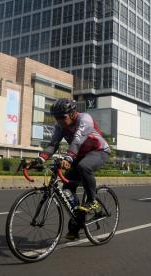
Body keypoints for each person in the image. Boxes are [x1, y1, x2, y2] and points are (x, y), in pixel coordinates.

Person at [29, 98, 110, 240]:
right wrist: (39, 159)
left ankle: (92, 201)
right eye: (56, 117)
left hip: (98, 151)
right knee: (67, 191)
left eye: (62, 117)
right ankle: (77, 222)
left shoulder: (85, 119)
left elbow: (77, 141)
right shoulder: (60, 127)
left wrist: (68, 158)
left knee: (84, 167)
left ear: (73, 113)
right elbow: (52, 145)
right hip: (78, 155)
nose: (59, 120)